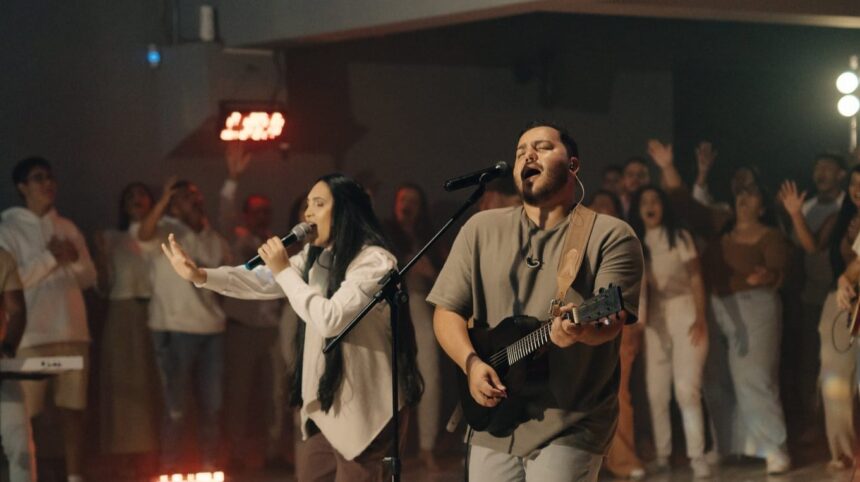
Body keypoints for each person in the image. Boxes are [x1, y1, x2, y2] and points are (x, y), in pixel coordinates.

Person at [160, 173, 423, 481]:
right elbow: (259, 280)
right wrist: (200, 275)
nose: (307, 213)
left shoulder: (375, 261)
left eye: (319, 204)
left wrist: (283, 269)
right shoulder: (315, 257)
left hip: (368, 407)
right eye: (307, 204)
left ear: (346, 211)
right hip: (328, 404)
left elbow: (331, 319)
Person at [428, 122, 644, 481]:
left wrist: (580, 332)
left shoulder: (611, 235)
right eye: (520, 151)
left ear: (573, 165)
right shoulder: (481, 229)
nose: (528, 154)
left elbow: (610, 323)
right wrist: (470, 364)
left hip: (570, 420)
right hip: (494, 418)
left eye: (542, 147)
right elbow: (447, 310)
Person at [0, 157, 96, 482]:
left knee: (73, 411)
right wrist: (50, 259)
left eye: (50, 177)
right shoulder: (7, 229)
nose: (47, 184)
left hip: (71, 328)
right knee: (25, 417)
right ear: (22, 187)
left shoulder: (66, 227)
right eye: (38, 178)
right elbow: (11, 282)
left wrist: (72, 261)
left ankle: (74, 477)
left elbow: (89, 277)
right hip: (30, 335)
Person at [137, 177, 232, 472]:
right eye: (185, 197)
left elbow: (226, 281)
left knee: (212, 407)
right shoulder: (165, 231)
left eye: (196, 195)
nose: (194, 200)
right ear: (173, 206)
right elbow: (143, 233)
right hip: (173, 329)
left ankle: (209, 469)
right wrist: (165, 199)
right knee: (176, 408)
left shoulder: (214, 238)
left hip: (211, 331)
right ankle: (171, 470)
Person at [628, 186, 710, 478]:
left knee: (687, 388)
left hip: (685, 309)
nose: (650, 206)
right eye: (644, 201)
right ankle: (663, 455)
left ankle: (697, 457)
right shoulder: (635, 242)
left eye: (655, 201)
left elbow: (696, 276)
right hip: (652, 319)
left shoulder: (679, 236)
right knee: (656, 390)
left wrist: (700, 316)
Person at [217, 145, 284, 470]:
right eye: (256, 211)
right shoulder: (238, 239)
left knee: (275, 395)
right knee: (239, 395)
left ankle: (272, 453)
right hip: (242, 329)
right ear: (246, 215)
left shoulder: (277, 243)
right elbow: (224, 216)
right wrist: (232, 179)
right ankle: (235, 455)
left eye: (266, 211)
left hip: (271, 329)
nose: (262, 216)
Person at [777, 154, 846, 437]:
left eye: (828, 168)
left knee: (842, 364)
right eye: (818, 167)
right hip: (811, 295)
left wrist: (795, 214)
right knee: (809, 362)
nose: (821, 173)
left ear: (841, 175)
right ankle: (813, 424)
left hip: (842, 296)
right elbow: (801, 250)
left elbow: (815, 246)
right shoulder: (810, 206)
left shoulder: (846, 208)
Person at [93, 182, 160, 473]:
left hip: (157, 312)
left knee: (154, 383)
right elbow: (103, 286)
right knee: (123, 383)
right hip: (122, 312)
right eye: (129, 196)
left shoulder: (161, 237)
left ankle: (152, 454)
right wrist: (102, 254)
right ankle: (122, 454)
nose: (136, 200)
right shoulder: (112, 237)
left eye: (141, 195)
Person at [384, 183, 444, 470]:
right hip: (391, 311)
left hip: (421, 306)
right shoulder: (383, 234)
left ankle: (427, 448)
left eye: (413, 201)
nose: (407, 205)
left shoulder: (430, 238)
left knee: (429, 376)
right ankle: (390, 449)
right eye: (402, 199)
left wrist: (429, 272)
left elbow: (447, 282)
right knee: (390, 380)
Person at [587, 189, 645, 480]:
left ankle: (622, 459)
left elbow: (629, 291)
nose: (601, 210)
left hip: (618, 328)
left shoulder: (624, 243)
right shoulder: (577, 243)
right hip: (580, 332)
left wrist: (633, 327)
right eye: (596, 205)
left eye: (607, 206)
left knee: (618, 393)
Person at [0, 247, 37, 482]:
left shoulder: (1, 257)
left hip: (1, 368)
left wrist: (6, 349)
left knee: (21, 445)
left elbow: (17, 310)